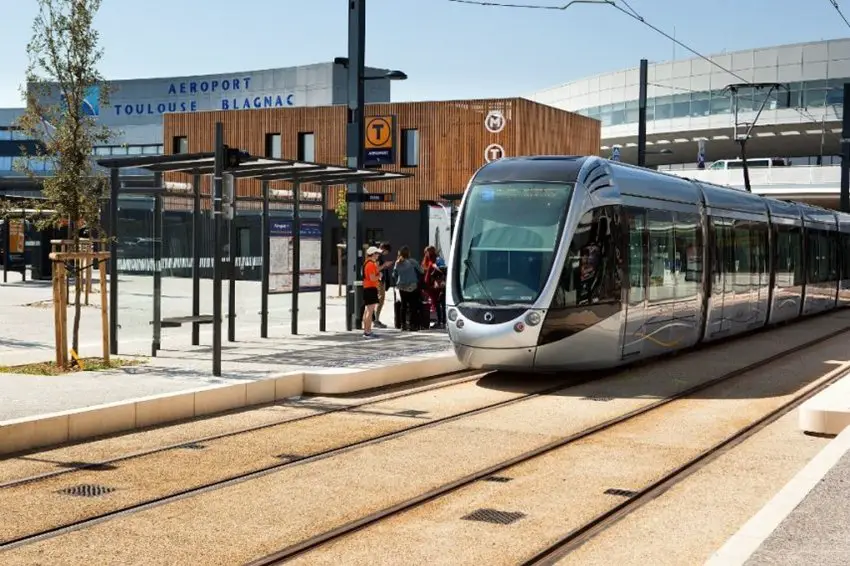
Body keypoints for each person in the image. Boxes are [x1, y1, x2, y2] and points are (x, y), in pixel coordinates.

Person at [393, 245, 423, 331]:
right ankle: (412, 324)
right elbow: (421, 271)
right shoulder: (413, 261)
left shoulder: (397, 262)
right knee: (413, 305)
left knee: (403, 305)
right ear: (408, 253)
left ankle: (403, 325)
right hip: (412, 286)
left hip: (402, 286)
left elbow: (394, 274)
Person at [362, 246, 383, 339]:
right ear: (373, 254)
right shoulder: (370, 264)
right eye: (377, 253)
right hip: (370, 288)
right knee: (370, 311)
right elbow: (372, 278)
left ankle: (366, 331)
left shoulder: (368, 263)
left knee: (367, 310)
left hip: (368, 288)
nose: (378, 255)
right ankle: (367, 332)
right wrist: (379, 276)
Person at [374, 242, 393, 329]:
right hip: (379, 281)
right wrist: (385, 265)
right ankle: (376, 320)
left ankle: (376, 319)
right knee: (380, 300)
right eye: (387, 252)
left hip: (379, 280)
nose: (386, 254)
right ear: (384, 249)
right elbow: (377, 269)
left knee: (379, 300)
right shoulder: (378, 256)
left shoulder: (377, 255)